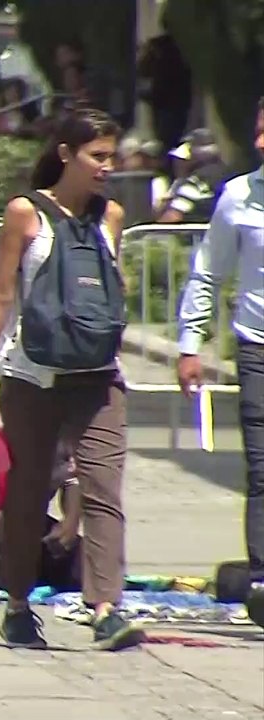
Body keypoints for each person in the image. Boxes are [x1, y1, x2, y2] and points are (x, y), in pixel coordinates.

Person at [0, 108, 143, 652]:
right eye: (98, 156)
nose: (108, 167)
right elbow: (1, 294)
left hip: (99, 377)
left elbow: (115, 287)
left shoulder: (111, 217)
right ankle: (18, 605)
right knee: (27, 491)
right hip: (32, 375)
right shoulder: (25, 213)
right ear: (66, 154)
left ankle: (106, 607)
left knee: (103, 486)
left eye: (113, 156)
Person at [177, 102, 264, 597]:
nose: (259, 143)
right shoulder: (239, 197)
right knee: (262, 467)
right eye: (257, 131)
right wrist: (191, 344)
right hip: (258, 347)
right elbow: (208, 273)